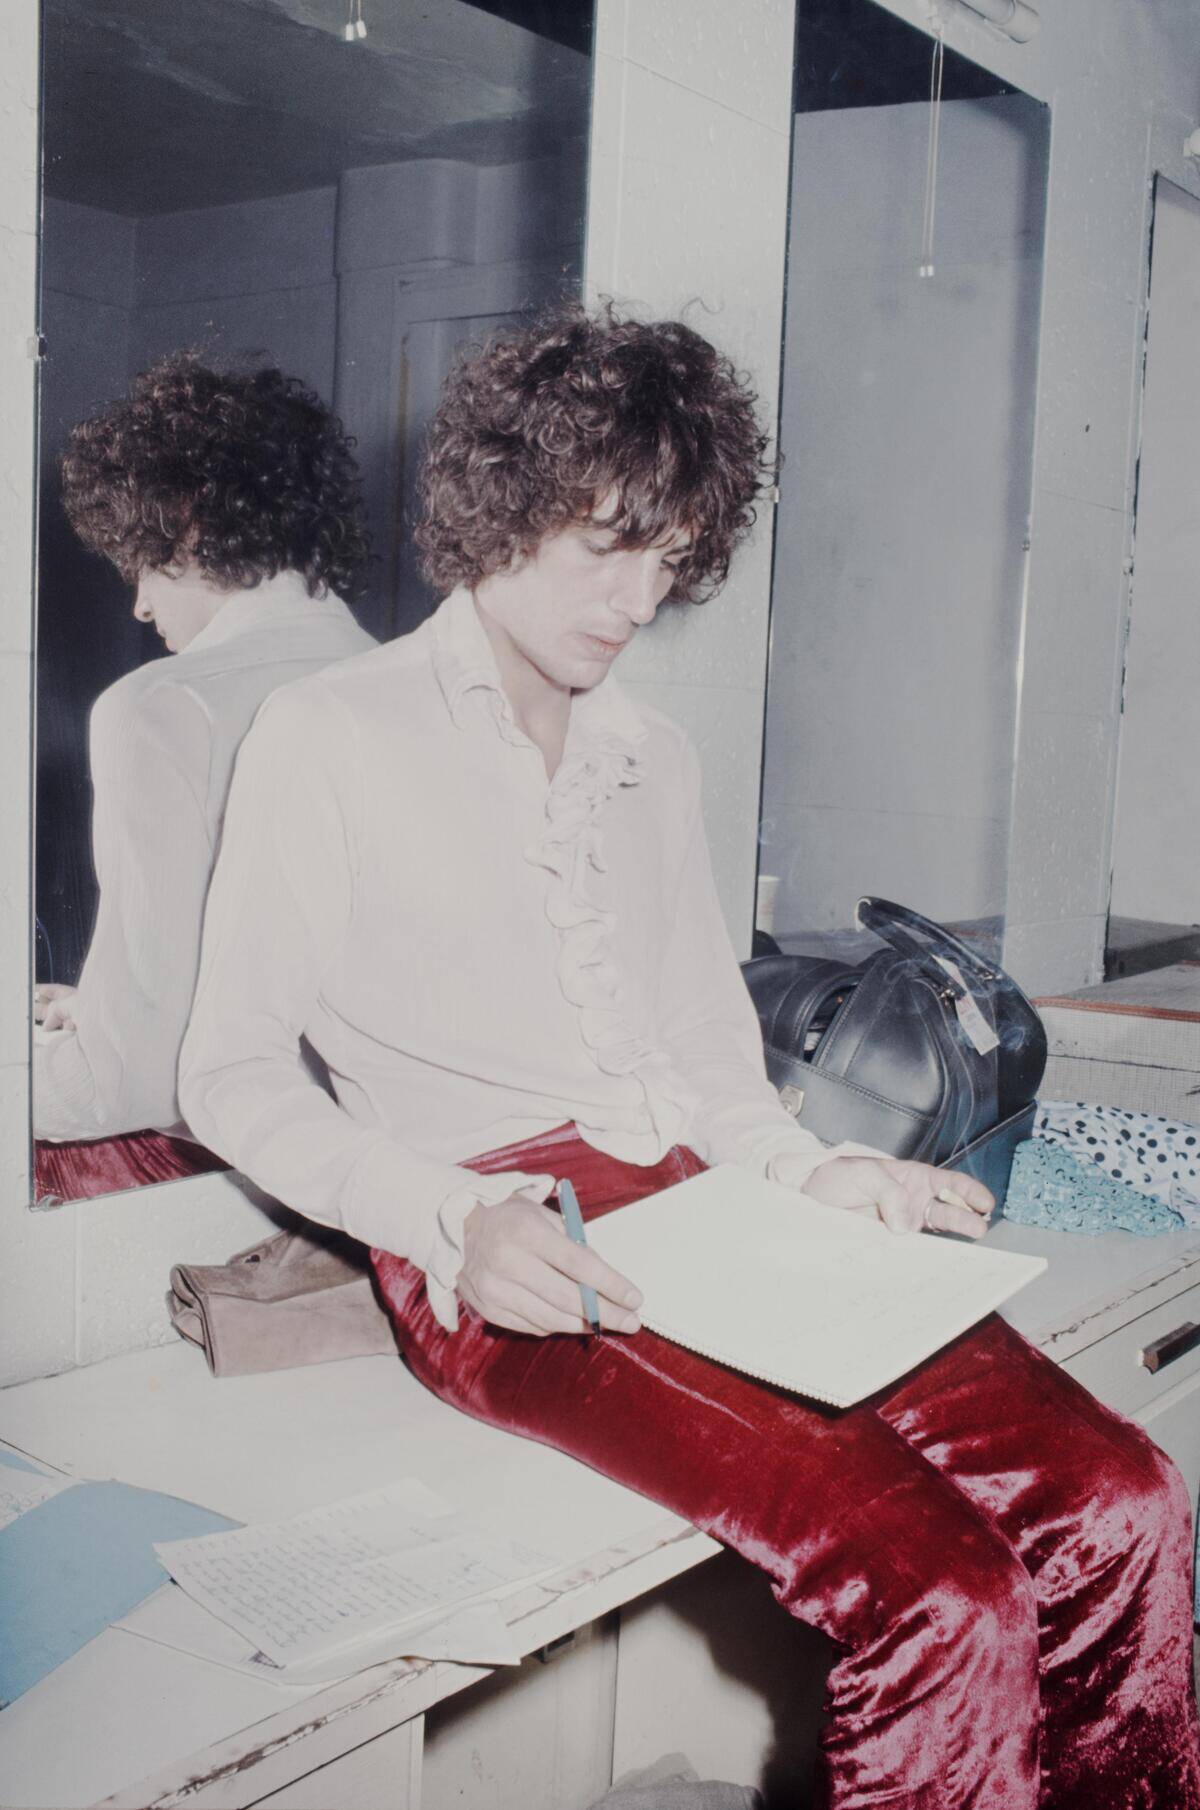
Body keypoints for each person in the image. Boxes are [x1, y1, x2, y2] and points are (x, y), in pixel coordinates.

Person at [179, 306, 1199, 1808]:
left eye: (668, 560)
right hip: (498, 1241)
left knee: (1125, 1497)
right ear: (501, 502)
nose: (636, 599)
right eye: (607, 545)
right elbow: (232, 1073)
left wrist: (821, 1166)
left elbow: (707, 1058)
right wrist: (452, 1218)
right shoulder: (328, 732)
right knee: (940, 1591)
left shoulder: (653, 756)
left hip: (711, 1213)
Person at [34, 355, 375, 1185]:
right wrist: (102, 1008)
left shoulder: (157, 708)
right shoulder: (407, 680)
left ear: (186, 521)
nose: (140, 605)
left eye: (140, 564)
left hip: (240, 1178)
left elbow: (131, 1085)